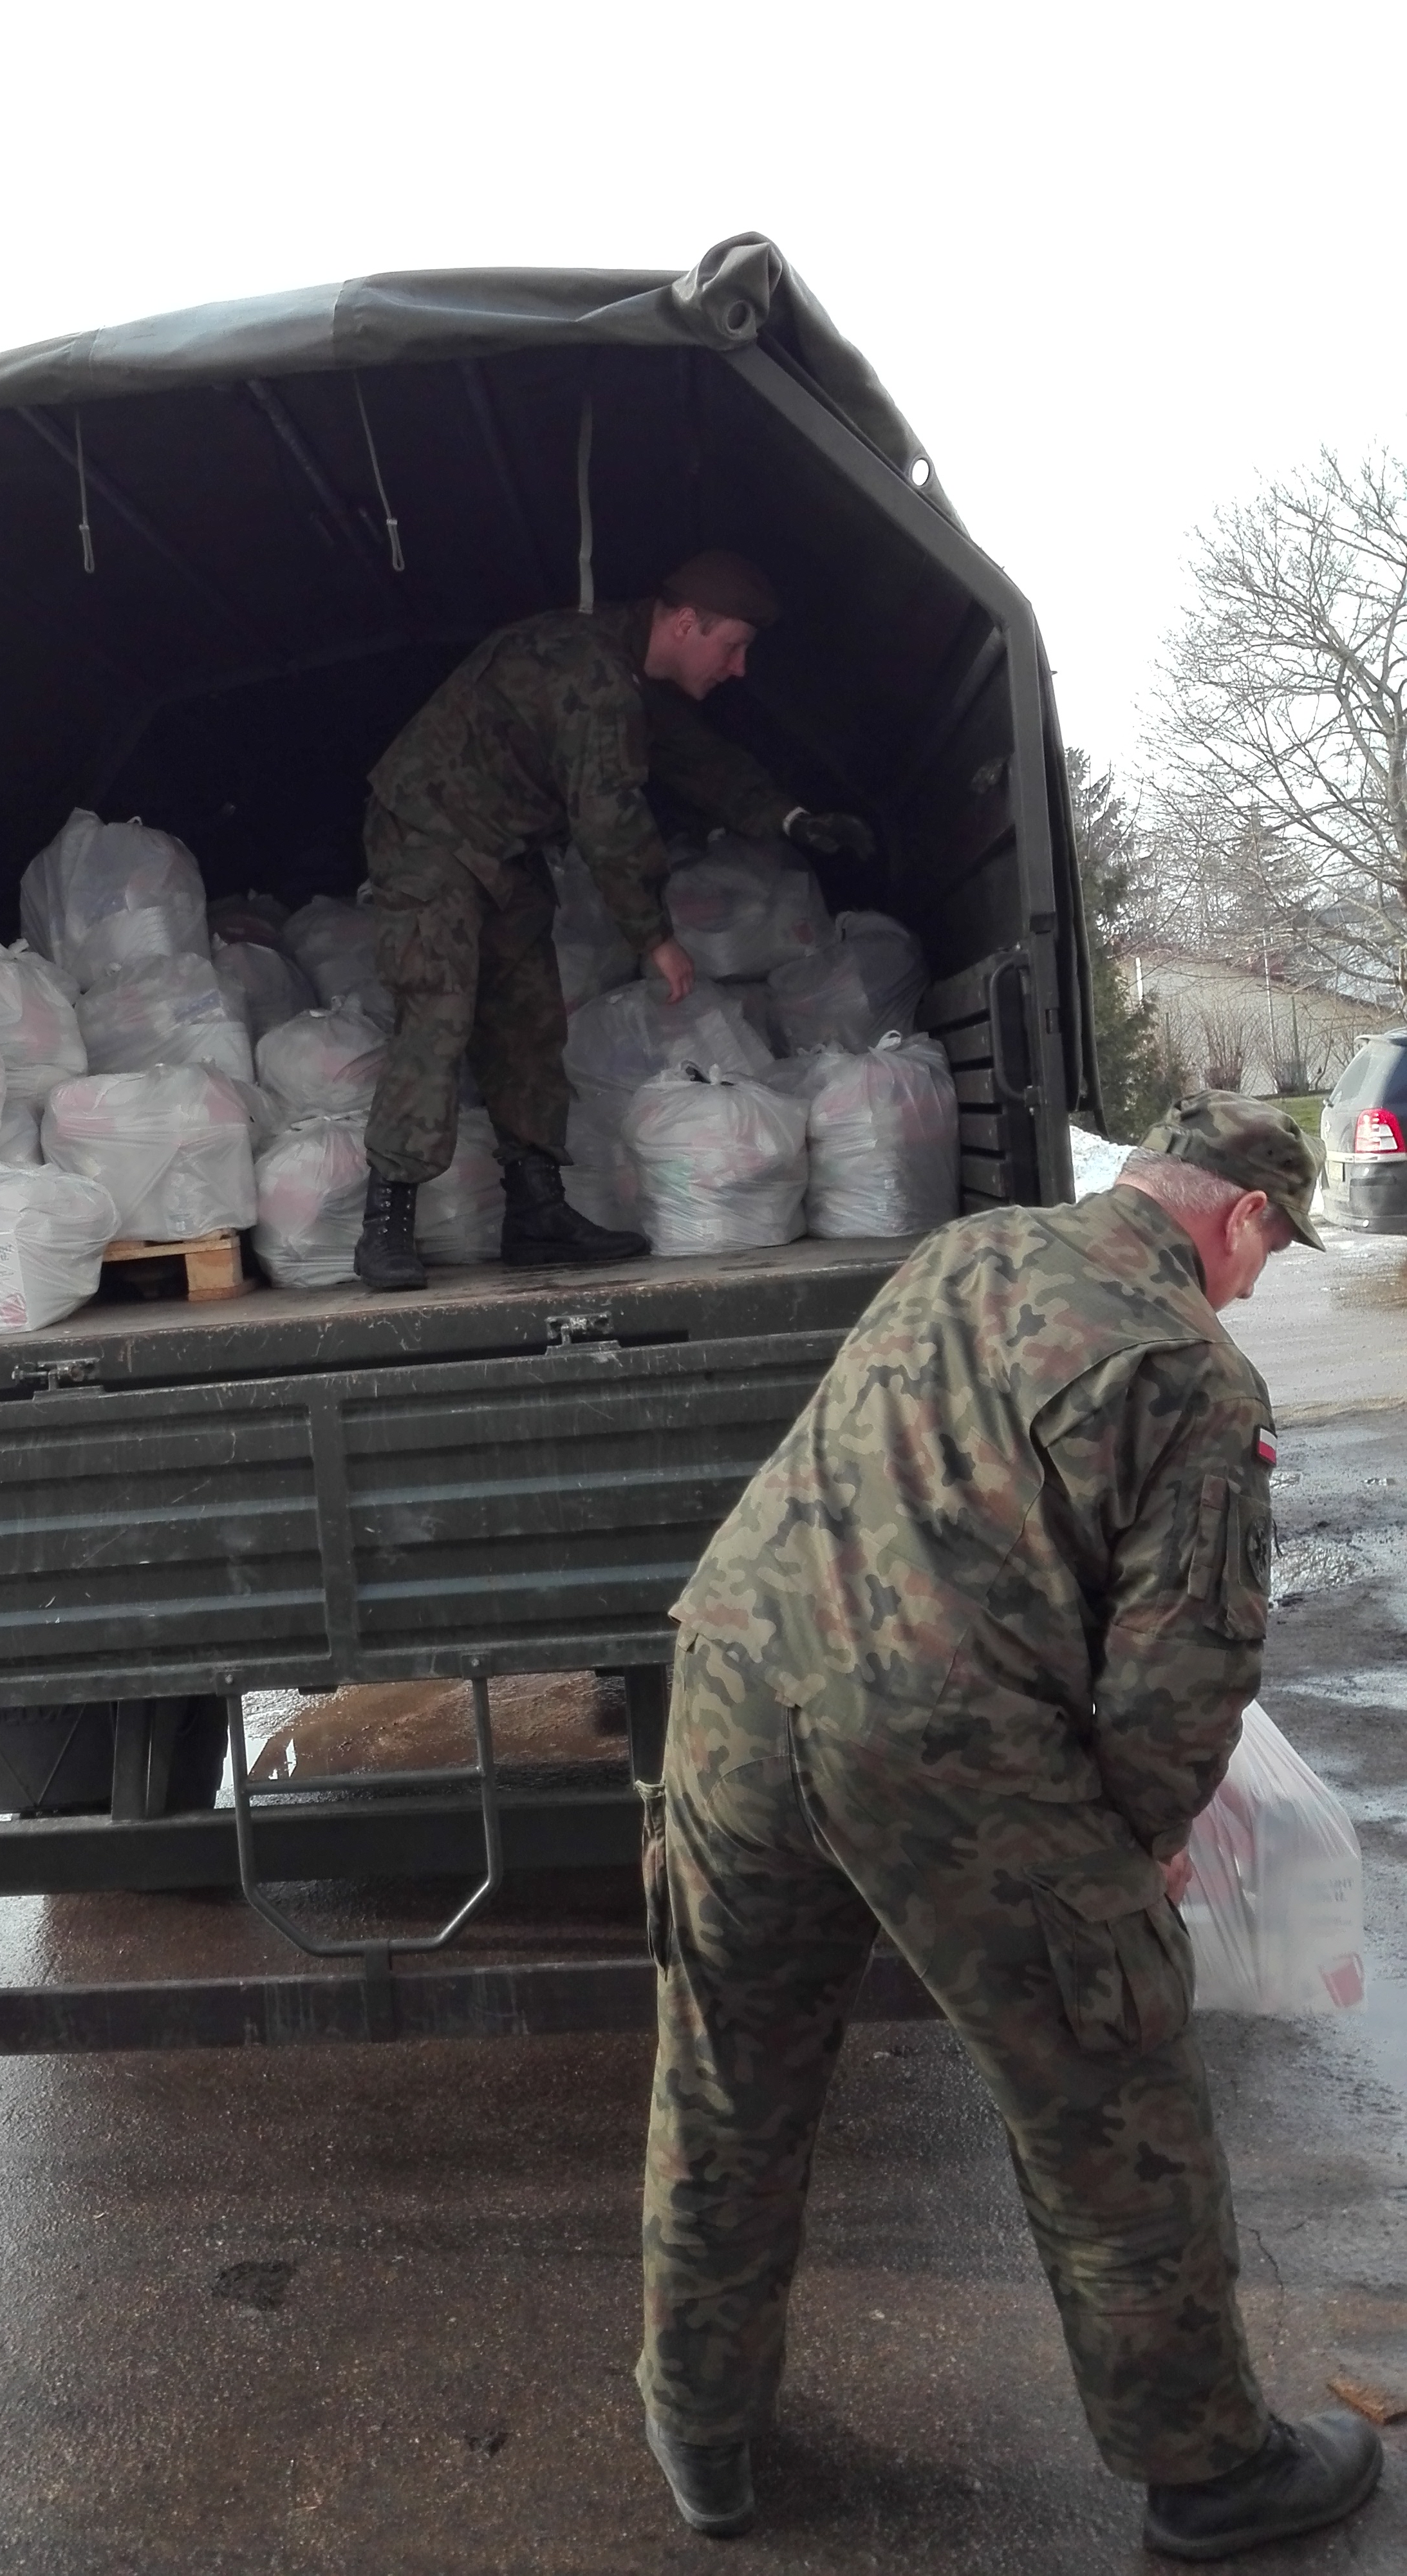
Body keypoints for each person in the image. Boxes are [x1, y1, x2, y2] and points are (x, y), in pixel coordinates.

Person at [638, 1095, 1384, 2560]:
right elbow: (1180, 1679)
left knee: (727, 2072)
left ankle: (701, 2430)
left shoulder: (966, 1251)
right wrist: (1132, 1844)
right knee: (1108, 2092)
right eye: (1267, 1253)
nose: (1253, 1282)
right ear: (1237, 1216)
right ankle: (1208, 2467)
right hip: (946, 1729)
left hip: (731, 1673)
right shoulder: (1191, 1372)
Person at [352, 551, 875, 1290]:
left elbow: (695, 757)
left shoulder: (629, 668)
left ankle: (536, 1213)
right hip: (429, 832)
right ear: (688, 623)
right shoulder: (593, 674)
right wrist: (652, 936)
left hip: (504, 847)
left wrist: (789, 819)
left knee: (530, 1017)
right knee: (437, 1008)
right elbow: (610, 818)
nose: (738, 670)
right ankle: (385, 1227)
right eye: (733, 646)